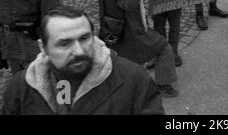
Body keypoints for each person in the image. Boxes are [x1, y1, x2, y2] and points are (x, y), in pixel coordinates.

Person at [2, 6, 165, 115]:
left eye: (84, 38)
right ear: (43, 47)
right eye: (64, 43)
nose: (79, 51)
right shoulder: (20, 87)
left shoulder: (134, 79)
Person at [91, 0, 179, 97]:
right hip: (129, 27)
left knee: (127, 61)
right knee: (164, 48)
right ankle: (163, 84)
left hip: (114, 26)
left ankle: (129, 88)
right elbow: (128, 3)